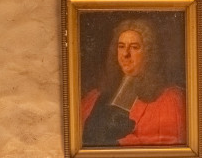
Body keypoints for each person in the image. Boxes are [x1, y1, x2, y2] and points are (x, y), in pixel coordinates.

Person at [80, 18, 186, 147]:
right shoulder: (95, 97)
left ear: (149, 53)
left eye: (134, 47)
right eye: (121, 46)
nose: (125, 54)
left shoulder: (170, 100)